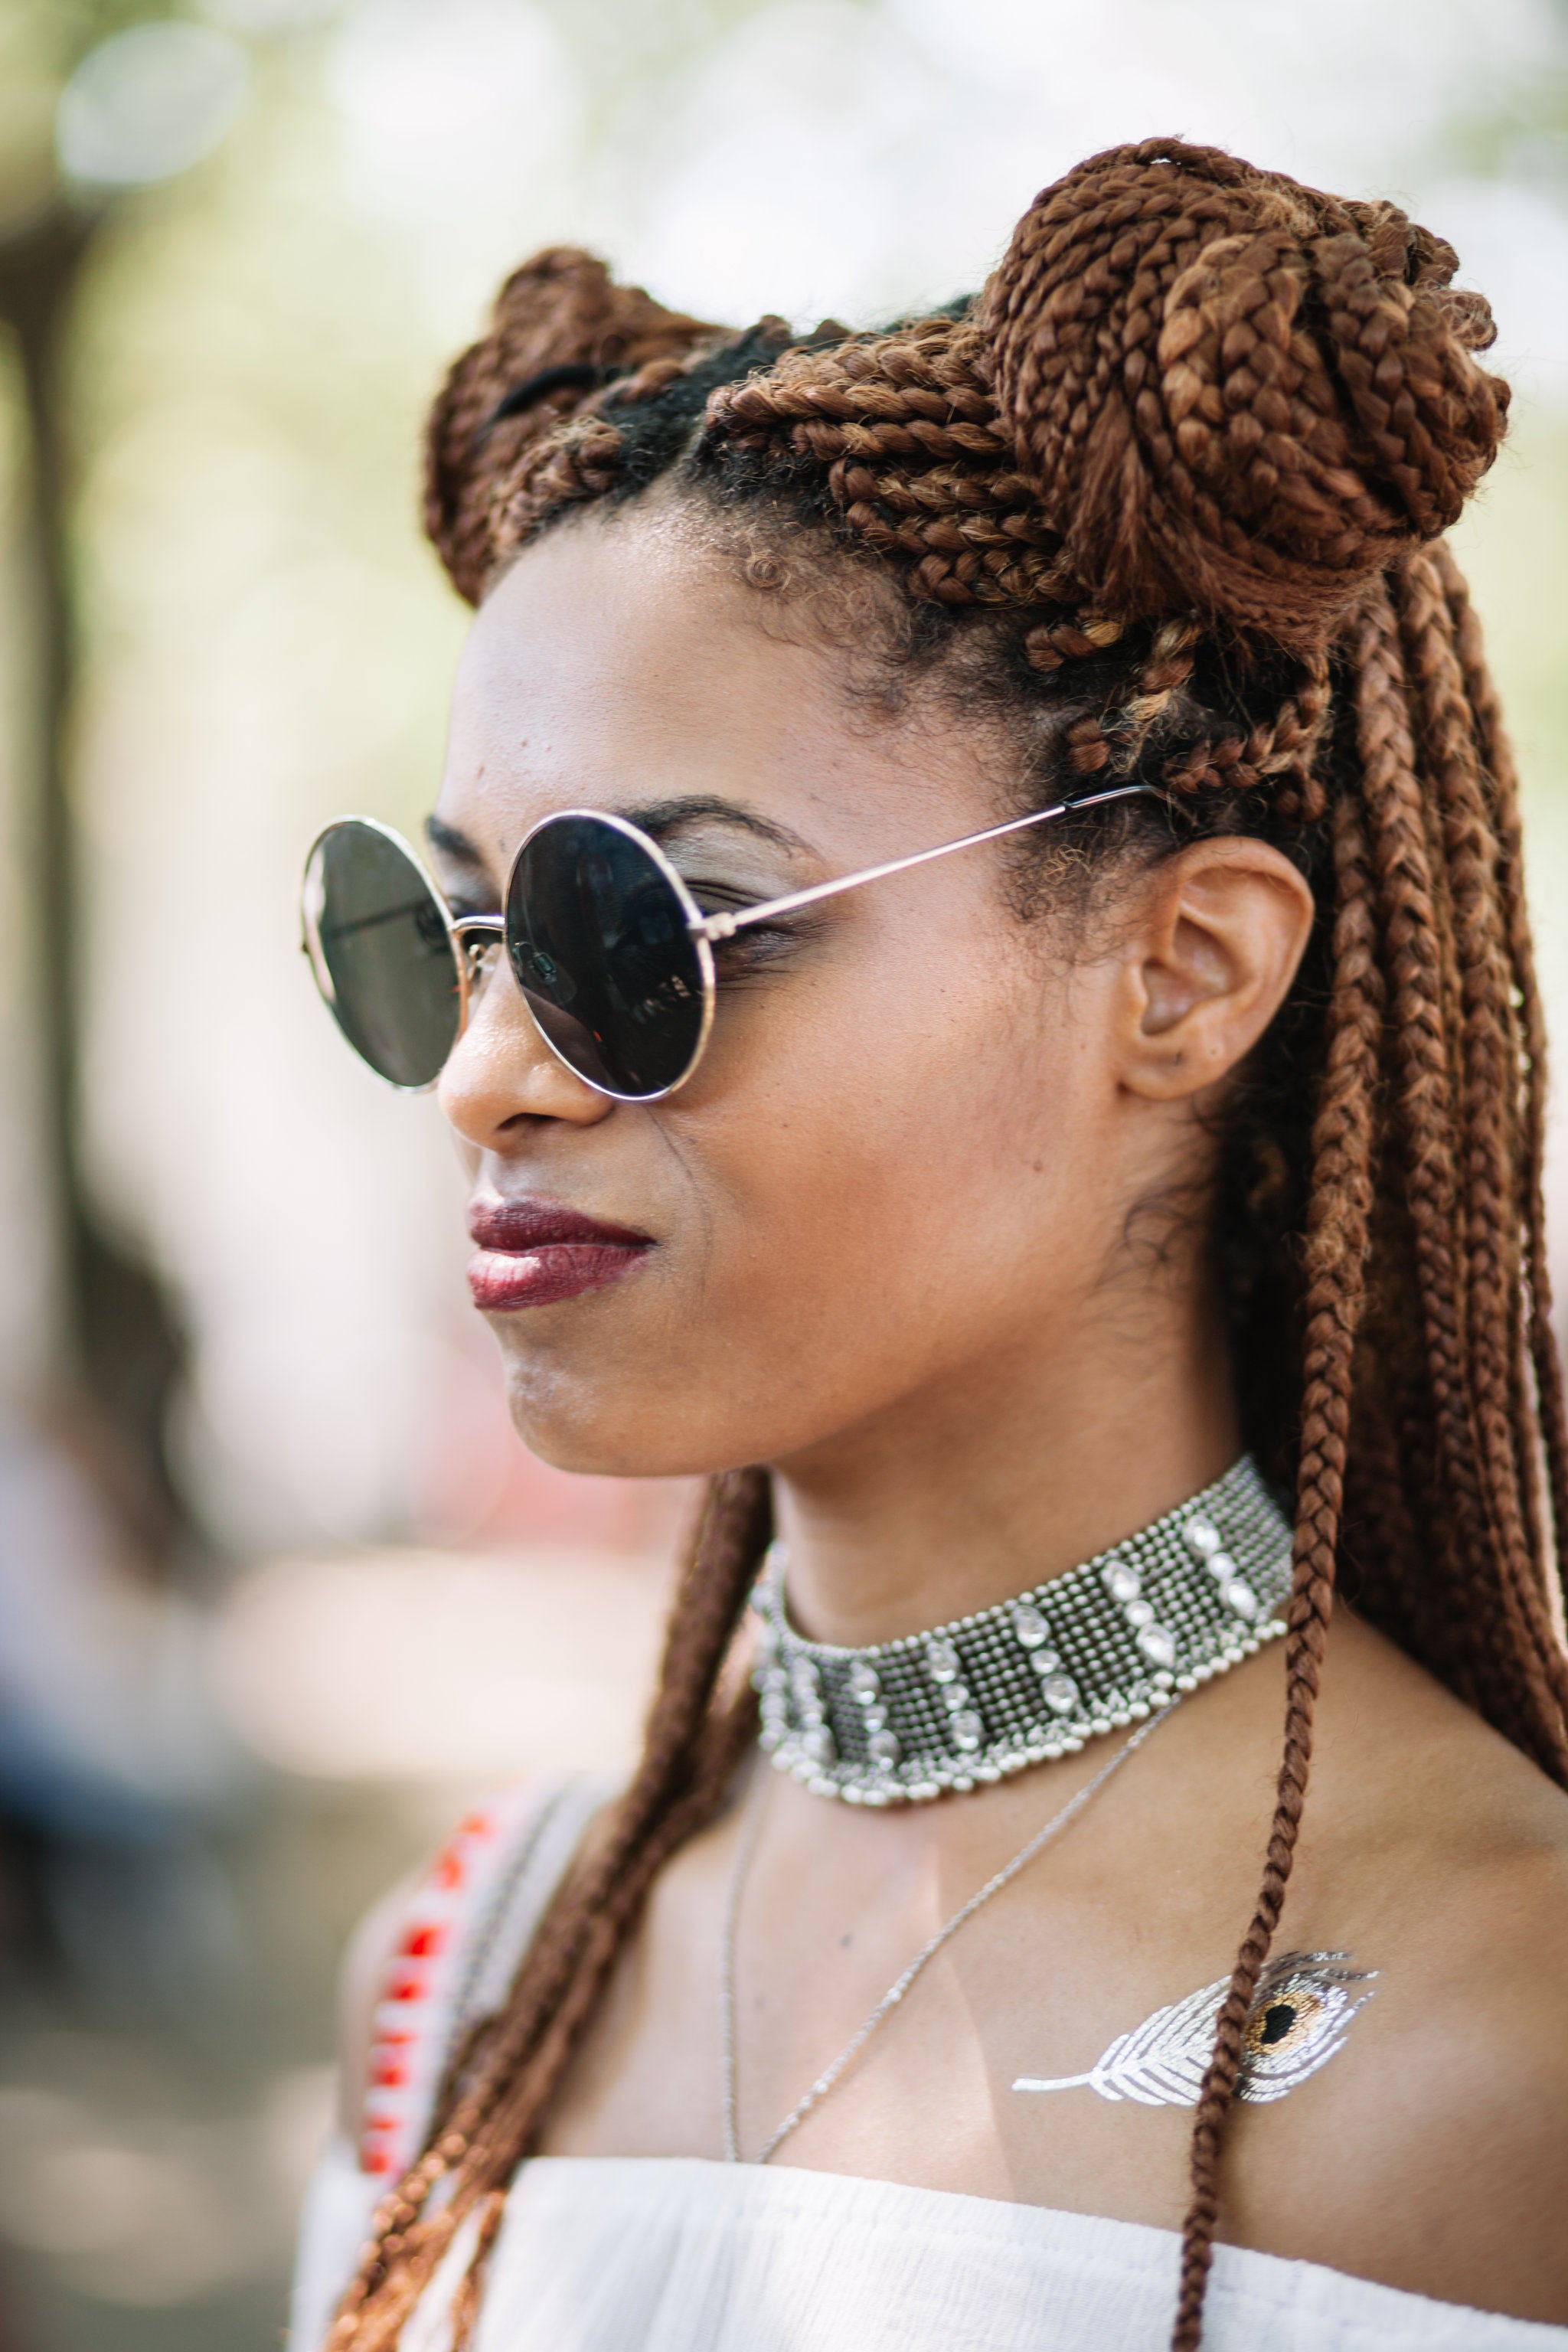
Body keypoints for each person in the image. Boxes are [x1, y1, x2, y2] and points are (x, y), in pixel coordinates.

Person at [289, 139, 1568, 2352]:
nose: (486, 1075)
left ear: (1183, 973)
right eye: (458, 931)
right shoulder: (471, 1974)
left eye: (644, 928)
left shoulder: (1500, 2060)